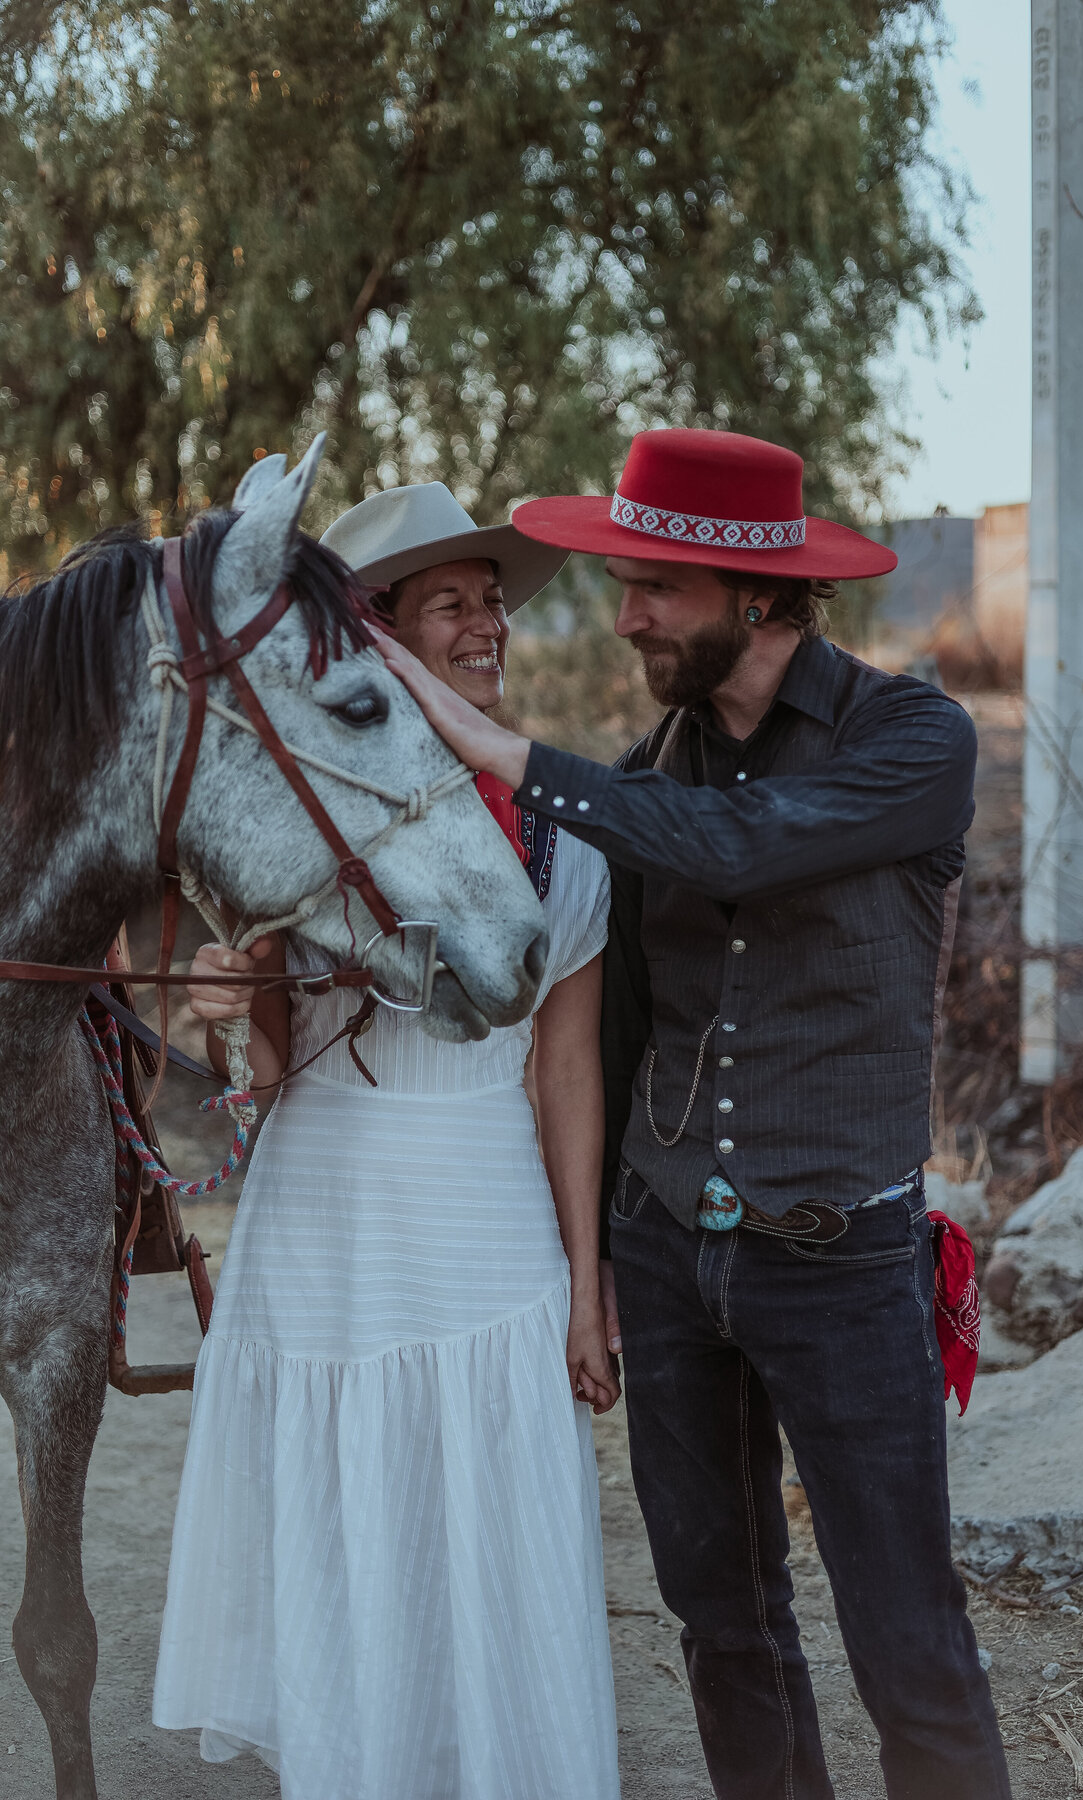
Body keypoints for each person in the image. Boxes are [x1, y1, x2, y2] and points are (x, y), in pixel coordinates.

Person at [377, 429, 1013, 1800]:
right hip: (668, 1262)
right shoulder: (641, 775)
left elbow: (748, 844)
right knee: (723, 1630)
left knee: (908, 1644)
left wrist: (502, 744)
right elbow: (600, 1039)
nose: (627, 618)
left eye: (656, 588)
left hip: (843, 1263)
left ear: (762, 600)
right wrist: (593, 1276)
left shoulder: (913, 741)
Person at [153, 482, 622, 1800]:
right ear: (385, 633)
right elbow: (260, 1071)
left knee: (490, 1515)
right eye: (452, 605)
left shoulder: (560, 832)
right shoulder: (291, 819)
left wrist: (586, 1283)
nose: (486, 628)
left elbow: (567, 1066)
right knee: (340, 1519)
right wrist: (224, 1009)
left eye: (493, 605)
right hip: (324, 1199)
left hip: (480, 1200)